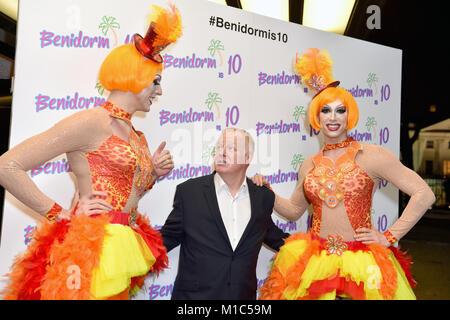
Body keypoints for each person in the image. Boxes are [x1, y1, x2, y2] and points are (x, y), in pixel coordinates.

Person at [0, 4, 182, 300]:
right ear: (135, 74)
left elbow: (126, 195)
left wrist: (154, 174)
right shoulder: (92, 121)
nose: (158, 91)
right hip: (88, 248)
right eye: (156, 81)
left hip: (122, 247)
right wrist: (62, 215)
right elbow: (7, 166)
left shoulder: (138, 136)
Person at [252, 48, 436, 300]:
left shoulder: (373, 155)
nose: (333, 117)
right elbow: (294, 210)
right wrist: (266, 191)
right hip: (315, 263)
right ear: (316, 117)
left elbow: (424, 194)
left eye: (340, 110)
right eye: (325, 110)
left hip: (363, 265)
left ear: (350, 115)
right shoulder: (309, 164)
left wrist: (388, 236)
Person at [160, 128, 289, 300]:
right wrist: (128, 250)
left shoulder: (263, 197)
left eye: (232, 148)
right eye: (219, 147)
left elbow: (277, 238)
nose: (222, 152)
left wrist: (319, 253)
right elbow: (166, 238)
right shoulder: (189, 192)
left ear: (247, 158)